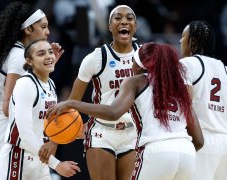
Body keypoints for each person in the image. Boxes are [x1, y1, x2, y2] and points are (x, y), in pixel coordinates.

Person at [45, 42, 204, 180]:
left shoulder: (136, 81)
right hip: (186, 153)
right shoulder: (178, 88)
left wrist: (72, 103)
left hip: (155, 149)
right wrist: (178, 151)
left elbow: (113, 112)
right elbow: (199, 140)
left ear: (139, 65)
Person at [0, 2, 63, 179]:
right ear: (28, 30)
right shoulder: (18, 57)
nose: (48, 32)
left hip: (7, 137)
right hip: (5, 137)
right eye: (43, 27)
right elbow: (8, 106)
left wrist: (46, 66)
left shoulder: (20, 54)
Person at [39, 5, 140, 180]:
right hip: (102, 132)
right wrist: (55, 139)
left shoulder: (144, 55)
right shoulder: (96, 57)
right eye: (118, 18)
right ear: (110, 26)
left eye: (129, 18)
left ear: (135, 25)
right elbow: (73, 100)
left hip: (133, 133)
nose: (124, 21)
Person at [179, 20, 227, 180]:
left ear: (193, 41)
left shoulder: (185, 65)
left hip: (199, 142)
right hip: (226, 146)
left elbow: (184, 105)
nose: (180, 40)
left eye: (183, 36)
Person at [0, 39, 81, 179]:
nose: (49, 56)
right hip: (18, 158)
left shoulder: (50, 84)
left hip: (40, 158)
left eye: (50, 52)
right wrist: (57, 165)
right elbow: (25, 134)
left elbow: (48, 126)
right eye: (41, 54)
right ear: (29, 61)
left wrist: (77, 131)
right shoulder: (25, 84)